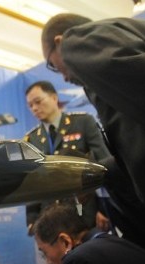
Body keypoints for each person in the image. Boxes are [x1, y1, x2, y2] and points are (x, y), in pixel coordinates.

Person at [41, 13, 145, 252]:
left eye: (53, 64)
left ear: (60, 41)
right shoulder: (127, 32)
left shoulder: (77, 41)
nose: (64, 77)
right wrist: (97, 176)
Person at [24, 80, 110, 233]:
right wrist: (32, 218)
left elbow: (104, 164)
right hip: (49, 221)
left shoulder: (83, 123)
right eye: (30, 106)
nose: (34, 108)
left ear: (54, 98)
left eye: (38, 102)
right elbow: (31, 181)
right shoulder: (31, 140)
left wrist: (106, 208)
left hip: (85, 217)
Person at [33, 203, 145, 264]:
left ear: (65, 241)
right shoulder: (103, 242)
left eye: (45, 253)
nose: (47, 263)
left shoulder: (78, 261)